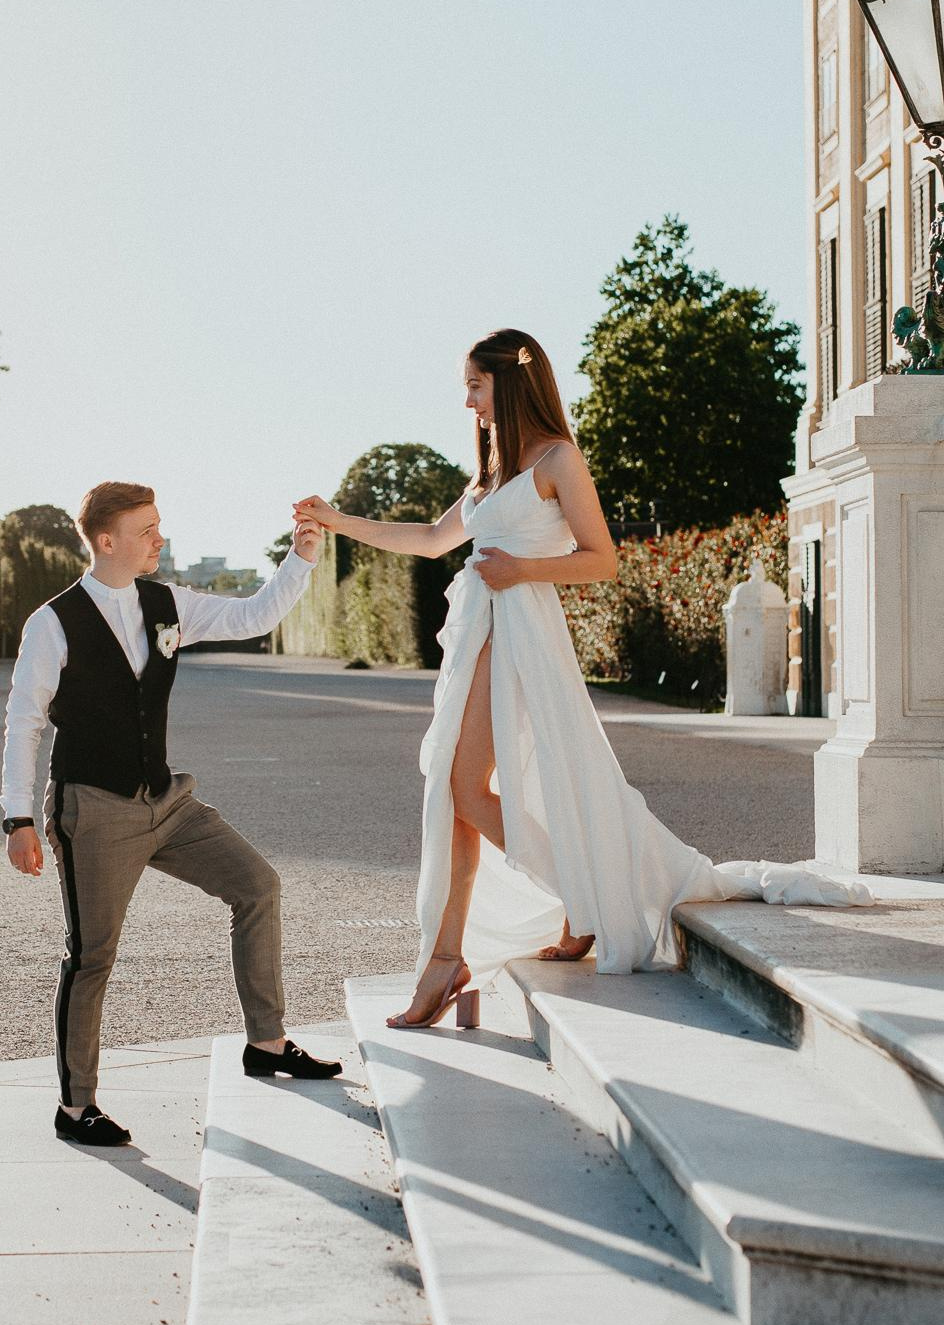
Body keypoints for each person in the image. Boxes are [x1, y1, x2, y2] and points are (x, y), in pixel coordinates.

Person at [295, 328, 864, 1030]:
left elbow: (601, 559)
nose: (467, 401)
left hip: (522, 633)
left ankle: (541, 914)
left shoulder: (557, 459)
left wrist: (521, 569)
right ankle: (458, 952)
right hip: (481, 629)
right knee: (457, 788)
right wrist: (336, 520)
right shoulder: (488, 473)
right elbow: (427, 539)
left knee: (463, 788)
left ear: (511, 381)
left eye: (475, 385)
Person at [1, 481, 341, 1146]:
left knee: (257, 885)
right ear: (106, 541)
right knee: (92, 955)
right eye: (147, 529)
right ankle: (75, 1108)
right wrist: (17, 819)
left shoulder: (167, 603)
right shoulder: (53, 622)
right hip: (93, 810)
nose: (159, 539)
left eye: (159, 527)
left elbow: (253, 617)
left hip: (167, 800)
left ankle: (266, 1043)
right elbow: (23, 722)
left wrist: (299, 558)